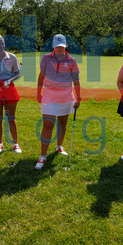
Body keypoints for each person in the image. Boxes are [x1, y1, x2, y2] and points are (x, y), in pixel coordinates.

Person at [36, 34, 81, 170]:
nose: (60, 50)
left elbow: (76, 80)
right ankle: (43, 156)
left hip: (66, 96)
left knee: (62, 123)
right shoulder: (46, 58)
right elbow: (41, 77)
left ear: (65, 47)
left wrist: (78, 97)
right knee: (48, 124)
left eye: (62, 47)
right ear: (53, 47)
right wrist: (38, 92)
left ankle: (59, 146)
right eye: (57, 47)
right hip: (49, 96)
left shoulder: (71, 60)